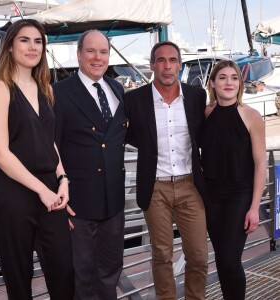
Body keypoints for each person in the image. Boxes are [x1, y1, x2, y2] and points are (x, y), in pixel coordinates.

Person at [0, 19, 74, 299]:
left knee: (64, 272)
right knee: (19, 278)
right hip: (14, 194)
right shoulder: (0, 88)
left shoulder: (44, 89)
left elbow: (49, 142)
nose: (32, 47)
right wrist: (42, 191)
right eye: (24, 40)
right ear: (10, 46)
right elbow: (0, 153)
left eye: (38, 41)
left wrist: (62, 179)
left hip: (50, 190)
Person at [124, 41, 208, 300]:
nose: (167, 66)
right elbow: (128, 135)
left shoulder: (196, 96)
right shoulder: (134, 100)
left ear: (180, 65)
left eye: (173, 60)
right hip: (155, 187)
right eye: (161, 60)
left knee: (199, 256)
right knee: (161, 255)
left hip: (190, 184)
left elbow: (206, 134)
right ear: (152, 66)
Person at [53, 30, 127, 299]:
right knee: (81, 277)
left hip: (113, 201)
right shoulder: (59, 93)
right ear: (79, 54)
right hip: (78, 205)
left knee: (110, 273)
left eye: (103, 52)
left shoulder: (117, 89)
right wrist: (57, 194)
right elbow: (51, 147)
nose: (98, 57)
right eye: (91, 51)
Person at [201, 60, 266, 300]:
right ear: (212, 83)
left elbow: (260, 164)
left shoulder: (251, 116)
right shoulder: (206, 113)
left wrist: (254, 207)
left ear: (240, 83)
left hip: (240, 195)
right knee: (221, 258)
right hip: (211, 196)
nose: (229, 82)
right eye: (222, 77)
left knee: (230, 258)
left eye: (234, 78)